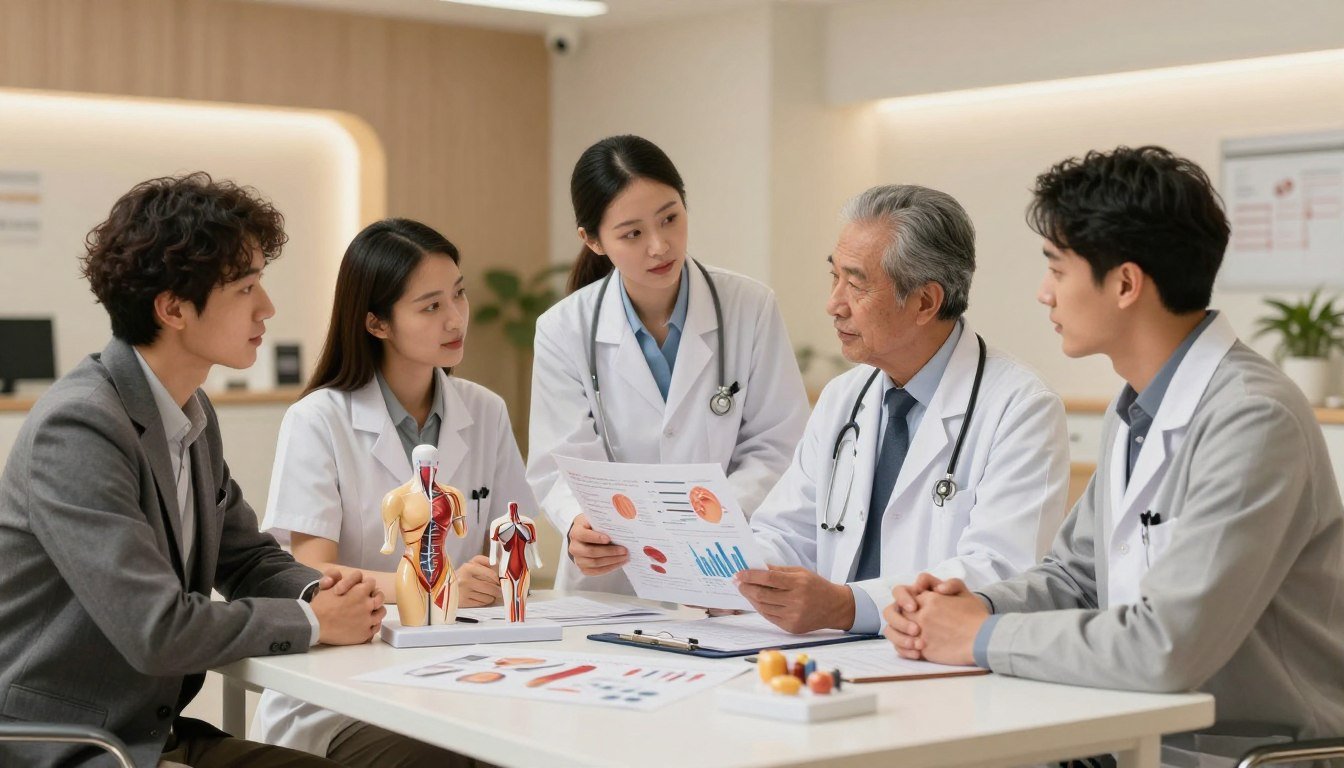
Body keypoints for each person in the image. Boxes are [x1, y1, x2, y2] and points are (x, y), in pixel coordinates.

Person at [884, 146, 1344, 765]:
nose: (1043, 293)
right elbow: (1075, 578)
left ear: (1125, 283)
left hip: (1244, 755)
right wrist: (970, 605)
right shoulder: (1136, 410)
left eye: (1057, 269)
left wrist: (980, 636)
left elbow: (1166, 647)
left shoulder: (1253, 418)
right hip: (1135, 735)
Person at [0, 173, 384, 768]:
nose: (267, 307)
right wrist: (312, 621)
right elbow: (155, 629)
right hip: (64, 746)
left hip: (149, 734)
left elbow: (247, 559)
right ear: (173, 308)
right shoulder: (78, 428)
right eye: (246, 287)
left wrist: (321, 591)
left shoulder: (189, 411)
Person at [254, 218, 532, 766]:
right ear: (376, 322)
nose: (455, 318)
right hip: (346, 687)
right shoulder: (318, 420)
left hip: (466, 668)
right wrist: (441, 587)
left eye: (458, 294)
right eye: (430, 306)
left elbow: (505, 543)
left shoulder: (485, 410)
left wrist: (491, 576)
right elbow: (315, 573)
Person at [741, 184, 1071, 634]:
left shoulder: (1021, 408)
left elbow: (1001, 571)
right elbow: (785, 533)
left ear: (925, 302)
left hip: (942, 662)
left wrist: (848, 607)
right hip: (829, 654)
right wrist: (735, 576)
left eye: (856, 284)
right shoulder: (843, 398)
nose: (834, 304)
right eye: (834, 277)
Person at [527, 134, 810, 595]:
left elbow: (778, 443)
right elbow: (559, 462)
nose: (660, 246)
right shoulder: (563, 328)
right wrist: (581, 522)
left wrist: (703, 520)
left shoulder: (749, 306)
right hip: (613, 574)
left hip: (723, 561)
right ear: (592, 240)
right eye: (632, 233)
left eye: (670, 219)